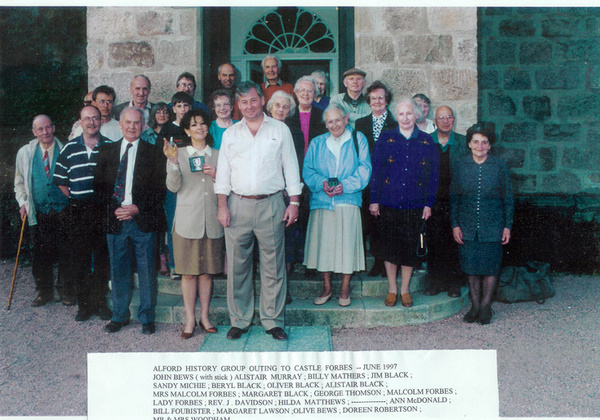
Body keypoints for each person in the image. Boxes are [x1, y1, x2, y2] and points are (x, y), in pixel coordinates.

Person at [215, 81, 302, 341]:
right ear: (237, 106)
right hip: (237, 204)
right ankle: (239, 320)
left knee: (273, 265)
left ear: (261, 100)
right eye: (243, 102)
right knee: (237, 265)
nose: (249, 106)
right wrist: (222, 206)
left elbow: (291, 166)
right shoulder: (231, 133)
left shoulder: (280, 129)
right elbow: (224, 173)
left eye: (253, 100)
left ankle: (272, 320)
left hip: (272, 203)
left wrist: (294, 203)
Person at [94, 107, 166, 335]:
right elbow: (99, 188)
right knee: (118, 271)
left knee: (146, 271)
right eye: (128, 122)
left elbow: (160, 190)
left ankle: (146, 317)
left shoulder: (154, 152)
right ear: (121, 124)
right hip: (116, 221)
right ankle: (120, 316)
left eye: (137, 123)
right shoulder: (106, 151)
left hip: (142, 221)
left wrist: (137, 208)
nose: (132, 126)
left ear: (143, 125)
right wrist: (115, 209)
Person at [369, 99, 439, 308]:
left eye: (409, 114)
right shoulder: (386, 138)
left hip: (415, 204)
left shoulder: (426, 141)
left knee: (409, 248)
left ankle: (405, 290)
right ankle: (392, 289)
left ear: (416, 115)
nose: (405, 118)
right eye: (401, 114)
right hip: (389, 202)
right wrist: (374, 200)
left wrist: (429, 203)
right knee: (390, 247)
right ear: (396, 116)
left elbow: (433, 175)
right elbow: (376, 170)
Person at [303, 104, 371, 307]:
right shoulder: (317, 143)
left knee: (347, 245)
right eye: (330, 121)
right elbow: (308, 170)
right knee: (324, 246)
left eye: (338, 120)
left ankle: (344, 288)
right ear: (325, 124)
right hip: (323, 202)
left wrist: (346, 186)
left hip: (348, 201)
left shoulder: (358, 139)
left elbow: (365, 168)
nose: (334, 125)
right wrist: (321, 183)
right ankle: (326, 287)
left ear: (346, 118)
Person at [164, 110, 224, 338]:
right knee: (188, 274)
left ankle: (205, 317)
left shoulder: (218, 155)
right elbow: (173, 186)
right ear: (187, 130)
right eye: (194, 124)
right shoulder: (177, 153)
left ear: (208, 128)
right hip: (187, 222)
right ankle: (190, 319)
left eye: (202, 124)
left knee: (207, 273)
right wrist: (172, 163)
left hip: (211, 222)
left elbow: (228, 184)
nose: (199, 127)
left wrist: (218, 175)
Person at [451, 122, 514, 325]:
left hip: (493, 224)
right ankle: (475, 306)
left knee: (490, 268)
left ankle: (486, 307)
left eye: (484, 142)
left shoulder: (499, 166)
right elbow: (454, 198)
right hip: (467, 225)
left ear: (489, 145)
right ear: (469, 144)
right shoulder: (460, 165)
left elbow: (508, 198)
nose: (480, 146)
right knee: (471, 268)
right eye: (476, 142)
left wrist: (507, 226)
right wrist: (455, 224)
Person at [54, 106, 112, 321]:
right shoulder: (69, 148)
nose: (91, 122)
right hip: (78, 210)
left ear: (100, 121)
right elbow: (60, 179)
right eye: (87, 119)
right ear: (80, 121)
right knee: (80, 258)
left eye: (95, 118)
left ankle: (100, 302)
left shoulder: (109, 147)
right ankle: (84, 305)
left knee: (101, 259)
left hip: (102, 209)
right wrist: (75, 197)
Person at [14, 115, 71, 306]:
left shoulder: (65, 150)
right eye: (40, 129)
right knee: (40, 254)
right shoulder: (25, 153)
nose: (45, 132)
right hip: (39, 210)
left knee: (66, 252)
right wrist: (23, 202)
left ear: (53, 128)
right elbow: (19, 182)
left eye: (48, 127)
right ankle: (44, 292)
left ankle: (66, 291)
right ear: (34, 132)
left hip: (63, 209)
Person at [424, 105, 469, 298]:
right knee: (433, 241)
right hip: (432, 201)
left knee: (454, 241)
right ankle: (435, 281)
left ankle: (453, 282)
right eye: (441, 117)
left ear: (454, 120)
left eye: (449, 117)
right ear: (435, 120)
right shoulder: (426, 141)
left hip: (455, 200)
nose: (445, 121)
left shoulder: (462, 142)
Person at [355, 81, 398, 277]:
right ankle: (376, 262)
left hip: (388, 181)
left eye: (381, 97)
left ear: (387, 100)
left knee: (386, 222)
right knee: (370, 222)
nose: (377, 101)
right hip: (367, 180)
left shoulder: (396, 124)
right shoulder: (361, 123)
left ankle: (385, 261)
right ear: (369, 101)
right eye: (373, 98)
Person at [266, 90, 306, 283]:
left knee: (288, 239)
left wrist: (291, 191)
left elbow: (296, 162)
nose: (281, 110)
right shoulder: (262, 129)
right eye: (277, 105)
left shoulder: (295, 132)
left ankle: (285, 285)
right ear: (270, 107)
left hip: (287, 195)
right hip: (268, 193)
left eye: (285, 106)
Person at [287, 76, 326, 156]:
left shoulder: (322, 115)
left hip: (315, 160)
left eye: (310, 91)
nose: (305, 94)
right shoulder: (289, 114)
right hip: (294, 160)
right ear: (296, 92)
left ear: (315, 94)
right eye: (302, 90)